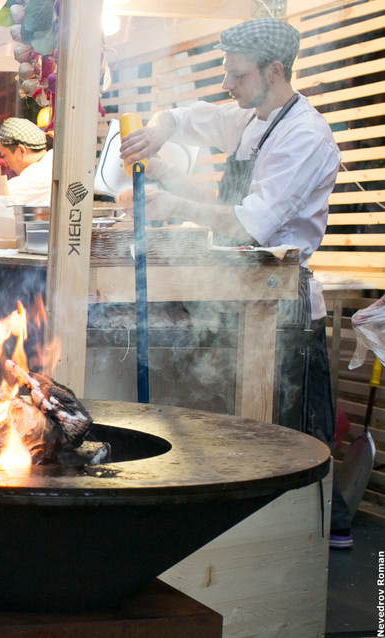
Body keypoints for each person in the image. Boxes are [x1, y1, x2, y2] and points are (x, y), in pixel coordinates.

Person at [119, 18, 350, 547]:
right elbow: (187, 118)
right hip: (237, 293)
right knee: (247, 434)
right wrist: (160, 133)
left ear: (274, 71)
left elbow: (250, 224)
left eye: (237, 74)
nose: (227, 83)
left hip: (284, 305)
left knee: (296, 437)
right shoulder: (251, 118)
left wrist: (173, 204)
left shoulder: (304, 136)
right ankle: (248, 536)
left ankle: (316, 542)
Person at [0, 118, 53, 206]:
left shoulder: (33, 180)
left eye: (5, 156)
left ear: (21, 150)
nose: (6, 164)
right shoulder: (54, 161)